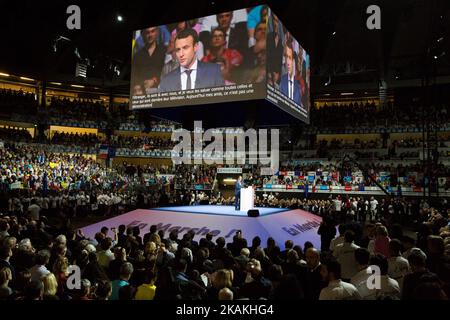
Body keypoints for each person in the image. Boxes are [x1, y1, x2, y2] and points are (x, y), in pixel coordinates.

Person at [159, 28, 224, 92]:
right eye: (178, 49)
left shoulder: (214, 71)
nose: (181, 54)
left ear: (195, 47)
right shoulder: (167, 79)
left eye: (185, 48)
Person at [132, 27, 166, 95]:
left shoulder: (164, 51)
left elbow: (168, 73)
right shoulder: (137, 56)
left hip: (162, 94)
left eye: (152, 31)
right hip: (142, 96)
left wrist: (154, 80)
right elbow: (134, 76)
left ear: (156, 32)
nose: (150, 35)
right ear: (143, 35)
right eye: (147, 32)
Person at [279, 41, 301, 105]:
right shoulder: (282, 81)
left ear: (293, 61)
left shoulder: (298, 86)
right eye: (286, 57)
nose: (287, 62)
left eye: (289, 57)